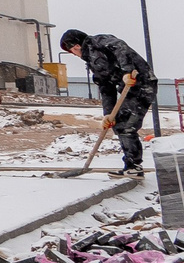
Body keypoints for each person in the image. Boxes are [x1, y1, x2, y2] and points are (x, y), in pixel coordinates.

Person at [59, 28, 155, 173]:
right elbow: (105, 87)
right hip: (128, 90)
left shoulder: (98, 42)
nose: (74, 55)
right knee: (119, 124)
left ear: (76, 46)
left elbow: (120, 47)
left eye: (72, 51)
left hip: (141, 84)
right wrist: (108, 114)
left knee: (126, 125)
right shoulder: (92, 62)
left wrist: (128, 71)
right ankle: (132, 165)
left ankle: (134, 166)